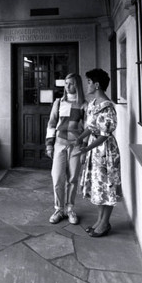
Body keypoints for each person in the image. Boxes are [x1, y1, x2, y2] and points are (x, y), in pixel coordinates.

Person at [72, 68, 122, 237]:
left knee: (107, 187)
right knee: (98, 186)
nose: (87, 85)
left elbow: (104, 134)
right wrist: (80, 138)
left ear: (97, 85)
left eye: (89, 82)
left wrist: (87, 148)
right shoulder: (94, 104)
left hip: (106, 151)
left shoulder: (107, 107)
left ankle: (105, 223)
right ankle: (100, 220)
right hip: (95, 149)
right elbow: (91, 127)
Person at [45, 73, 86, 225]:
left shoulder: (84, 105)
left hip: (76, 146)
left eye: (71, 83)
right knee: (57, 177)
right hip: (59, 144)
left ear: (78, 85)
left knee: (73, 179)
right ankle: (58, 209)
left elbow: (87, 128)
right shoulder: (58, 103)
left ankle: (69, 209)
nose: (67, 86)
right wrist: (49, 144)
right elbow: (51, 124)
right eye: (66, 83)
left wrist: (84, 148)